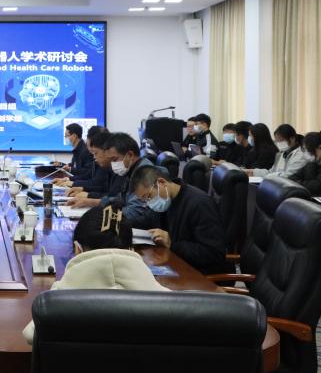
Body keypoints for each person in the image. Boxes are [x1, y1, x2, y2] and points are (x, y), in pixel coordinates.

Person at [21, 201, 165, 344]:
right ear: (131, 250)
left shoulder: (52, 303)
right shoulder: (170, 304)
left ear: (77, 249)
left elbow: (30, 334)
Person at [129, 165, 227, 275]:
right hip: (175, 263)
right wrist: (122, 223)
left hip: (199, 274)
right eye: (144, 200)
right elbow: (144, 221)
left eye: (148, 196)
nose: (148, 203)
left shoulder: (199, 204)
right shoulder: (165, 200)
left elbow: (214, 253)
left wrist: (172, 244)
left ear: (161, 182)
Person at [67, 133, 156, 231]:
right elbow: (121, 199)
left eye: (114, 159)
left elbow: (134, 213)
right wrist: (90, 202)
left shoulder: (144, 173)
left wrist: (100, 217)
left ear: (130, 155)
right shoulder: (131, 170)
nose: (113, 164)